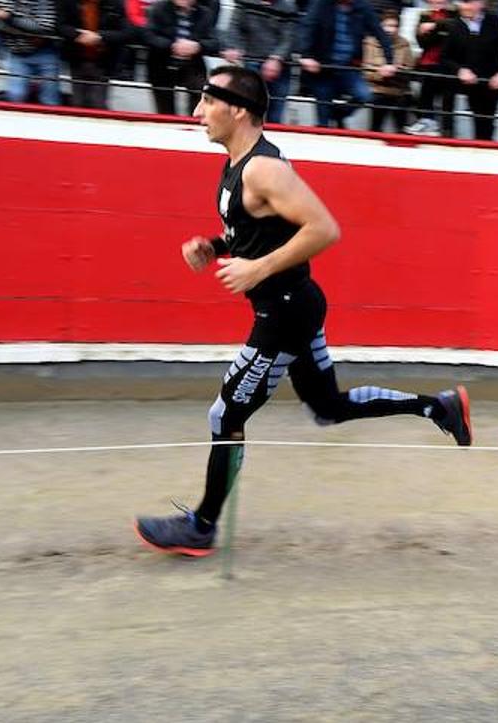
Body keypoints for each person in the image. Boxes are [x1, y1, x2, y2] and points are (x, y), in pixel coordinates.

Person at [133, 67, 472, 555]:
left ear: (240, 110)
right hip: (296, 305)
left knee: (225, 412)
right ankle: (438, 406)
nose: (196, 112)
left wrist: (256, 270)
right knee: (327, 407)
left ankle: (202, 526)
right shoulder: (240, 164)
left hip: (284, 313)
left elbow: (324, 228)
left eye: (207, 101)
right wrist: (213, 246)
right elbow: (258, 230)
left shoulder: (263, 168)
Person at [298, 0, 397, 128]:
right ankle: (330, 125)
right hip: (322, 67)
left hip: (347, 66)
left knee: (364, 95)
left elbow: (380, 33)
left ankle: (337, 115)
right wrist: (306, 55)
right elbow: (308, 27)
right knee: (323, 112)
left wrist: (389, 61)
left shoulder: (362, 5)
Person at [439, 0, 498, 141]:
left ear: (479, 4)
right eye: (462, 3)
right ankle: (447, 135)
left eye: (469, 3)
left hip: (490, 81)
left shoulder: (495, 22)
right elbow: (445, 57)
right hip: (466, 80)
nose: (464, 7)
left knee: (486, 122)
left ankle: (484, 149)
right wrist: (460, 70)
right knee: (446, 88)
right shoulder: (455, 25)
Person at [225, 0, 299, 122]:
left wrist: (276, 58)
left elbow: (289, 37)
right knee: (249, 110)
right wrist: (234, 47)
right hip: (252, 60)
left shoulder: (288, 6)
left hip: (279, 65)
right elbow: (235, 27)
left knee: (275, 114)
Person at [56, 0, 129, 109]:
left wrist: (99, 37)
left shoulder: (114, 0)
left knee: (98, 105)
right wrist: (77, 35)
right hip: (76, 58)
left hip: (103, 61)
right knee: (77, 104)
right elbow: (59, 25)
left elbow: (125, 33)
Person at [144, 0, 219, 116]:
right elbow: (148, 36)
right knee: (165, 111)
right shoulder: (157, 8)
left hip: (192, 64)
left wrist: (197, 46)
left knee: (200, 95)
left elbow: (215, 42)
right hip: (162, 63)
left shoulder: (205, 13)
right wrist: (172, 46)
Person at [409, 0, 457, 136]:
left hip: (450, 63)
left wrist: (434, 27)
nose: (438, 0)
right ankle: (428, 122)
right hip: (428, 62)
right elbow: (422, 42)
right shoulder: (423, 16)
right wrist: (439, 31)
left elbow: (455, 32)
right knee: (423, 84)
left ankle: (447, 129)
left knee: (447, 91)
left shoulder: (454, 14)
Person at [362, 9, 416, 132]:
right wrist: (381, 73)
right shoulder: (370, 43)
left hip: (399, 89)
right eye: (387, 25)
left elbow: (410, 69)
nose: (390, 29)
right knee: (380, 101)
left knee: (403, 101)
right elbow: (366, 71)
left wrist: (397, 71)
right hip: (377, 88)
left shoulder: (404, 44)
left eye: (394, 26)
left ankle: (401, 135)